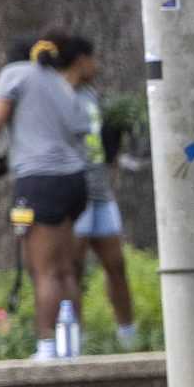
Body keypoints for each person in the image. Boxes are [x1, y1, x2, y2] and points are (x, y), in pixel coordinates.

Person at [0, 33, 98, 359]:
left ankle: (47, 346)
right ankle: (74, 346)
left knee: (44, 271)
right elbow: (81, 128)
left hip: (39, 181)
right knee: (66, 269)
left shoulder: (14, 74)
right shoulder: (59, 81)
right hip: (74, 181)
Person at [71, 89, 139, 350]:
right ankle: (75, 341)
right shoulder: (60, 94)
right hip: (74, 193)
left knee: (116, 265)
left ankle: (128, 337)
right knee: (73, 269)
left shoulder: (92, 96)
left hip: (101, 193)